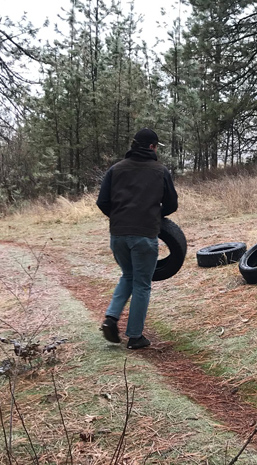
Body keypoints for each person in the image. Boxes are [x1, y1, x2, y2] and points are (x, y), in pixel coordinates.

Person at [96, 128, 178, 349]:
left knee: (128, 275)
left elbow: (102, 202)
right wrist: (152, 214)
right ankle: (135, 337)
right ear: (152, 147)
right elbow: (172, 205)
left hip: (118, 235)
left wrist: (120, 218)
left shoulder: (115, 169)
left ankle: (111, 318)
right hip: (144, 236)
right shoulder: (160, 171)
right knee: (142, 284)